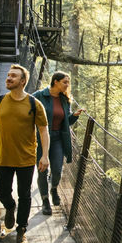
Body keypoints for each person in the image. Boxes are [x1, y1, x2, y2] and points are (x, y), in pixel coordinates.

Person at [0, 64, 49, 243]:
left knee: (25, 195)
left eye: (13, 76)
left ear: (22, 81)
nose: (8, 78)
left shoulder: (34, 104)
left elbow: (43, 130)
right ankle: (9, 207)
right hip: (2, 157)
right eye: (8, 75)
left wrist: (45, 155)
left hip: (25, 158)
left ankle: (21, 230)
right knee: (2, 192)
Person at [32, 71, 86, 215]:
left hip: (57, 139)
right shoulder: (39, 96)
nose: (67, 85)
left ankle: (54, 188)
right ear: (55, 81)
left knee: (57, 170)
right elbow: (28, 113)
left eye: (68, 82)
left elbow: (66, 122)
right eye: (65, 82)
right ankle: (45, 201)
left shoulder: (64, 99)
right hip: (41, 138)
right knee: (42, 170)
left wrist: (74, 116)